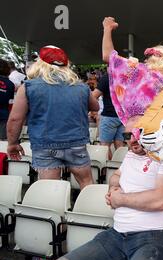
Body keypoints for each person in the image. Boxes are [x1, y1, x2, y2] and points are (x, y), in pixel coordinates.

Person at [36, 115, 163, 260]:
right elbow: (116, 175)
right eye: (127, 136)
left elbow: (160, 200)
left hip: (158, 237)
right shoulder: (132, 153)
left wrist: (120, 199)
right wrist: (113, 187)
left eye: (139, 133)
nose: (132, 140)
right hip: (116, 236)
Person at [6, 46, 99, 189]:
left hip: (44, 144)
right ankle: (92, 210)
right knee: (87, 184)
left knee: (49, 188)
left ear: (41, 64)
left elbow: (15, 119)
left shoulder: (29, 86)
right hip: (75, 142)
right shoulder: (81, 87)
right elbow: (95, 107)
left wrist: (12, 143)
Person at [92, 73, 125, 160]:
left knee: (105, 147)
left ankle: (107, 172)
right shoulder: (126, 76)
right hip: (123, 117)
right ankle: (120, 171)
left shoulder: (107, 77)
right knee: (120, 146)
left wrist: (93, 110)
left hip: (109, 116)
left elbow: (94, 96)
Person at [0, 59, 15, 140]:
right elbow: (10, 102)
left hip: (4, 115)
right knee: (2, 142)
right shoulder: (10, 84)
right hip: (4, 116)